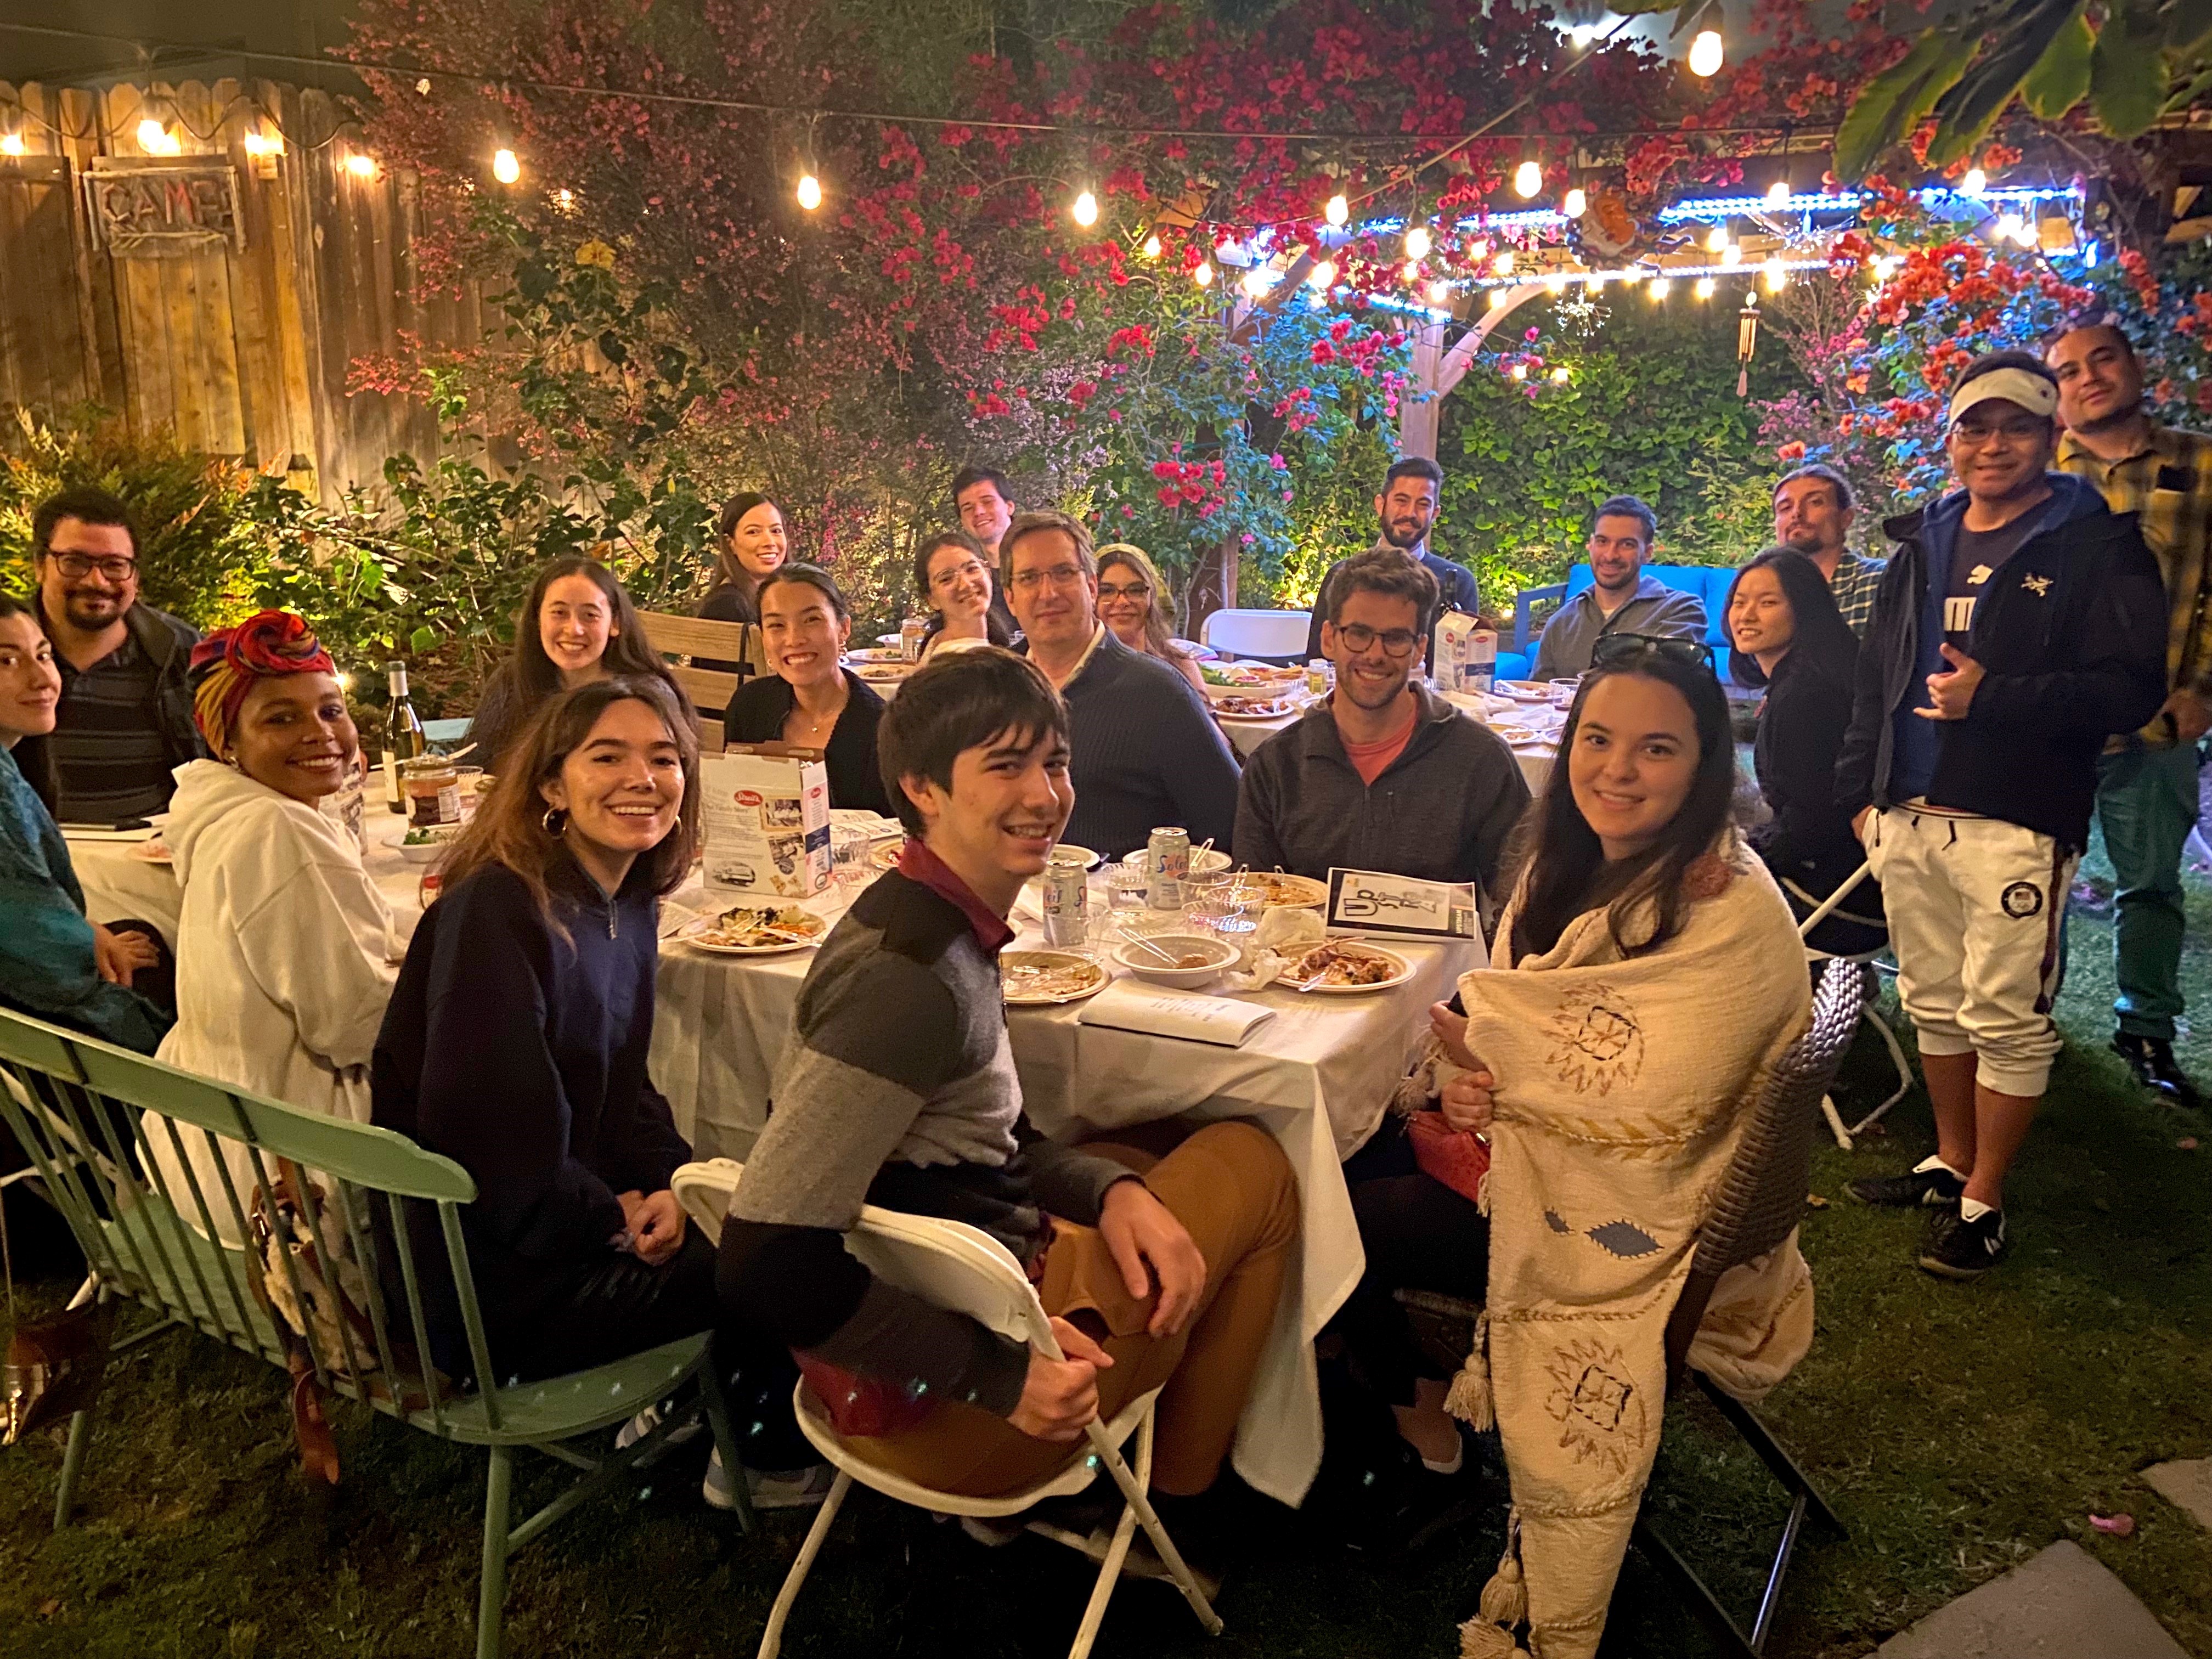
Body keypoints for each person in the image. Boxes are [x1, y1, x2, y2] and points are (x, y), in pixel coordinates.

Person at [714, 648, 1299, 1513]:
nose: (1045, 795)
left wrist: (1112, 1192)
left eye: (1054, 763)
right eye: (1005, 766)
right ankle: (1176, 1510)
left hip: (953, 1330)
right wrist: (999, 1378)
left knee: (1149, 1151)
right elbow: (762, 1261)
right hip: (961, 1412)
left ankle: (1162, 1455)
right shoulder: (908, 981)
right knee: (1261, 1164)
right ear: (921, 788)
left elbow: (986, 1142)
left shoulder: (923, 918)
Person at [374, 676, 822, 1509]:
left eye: (664, 758)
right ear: (552, 783)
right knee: (778, 1255)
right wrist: (616, 1222)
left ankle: (702, 1414)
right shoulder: (496, 911)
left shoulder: (626, 901)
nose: (641, 779)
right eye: (606, 756)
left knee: (747, 1215)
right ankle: (757, 1456)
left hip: (560, 1225)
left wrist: (674, 1185)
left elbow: (623, 1085)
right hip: (495, 1283)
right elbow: (491, 1136)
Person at [1837, 351, 2167, 1280]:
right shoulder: (1921, 539)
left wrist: (1997, 697)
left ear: (2050, 436)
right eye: (1974, 428)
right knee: (1929, 998)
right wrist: (1862, 793)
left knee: (2003, 1014)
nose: (1993, 444)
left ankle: (1985, 1200)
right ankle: (1949, 1159)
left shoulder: (2095, 542)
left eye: (2015, 426)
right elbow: (1880, 673)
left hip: (2015, 816)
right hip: (1907, 808)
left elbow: (2130, 687)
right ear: (1949, 442)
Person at [144, 611, 404, 1243]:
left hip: (200, 1144)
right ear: (225, 742)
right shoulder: (279, 831)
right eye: (280, 718)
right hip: (291, 1171)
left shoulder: (222, 815)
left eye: (330, 711)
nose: (320, 734)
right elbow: (354, 1024)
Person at [2048, 317, 2212, 1108]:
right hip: (2055, 726)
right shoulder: (2039, 473)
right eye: (2069, 371)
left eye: (2101, 360)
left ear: (2134, 367)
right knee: (2033, 880)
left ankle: (2146, 1029)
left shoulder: (2200, 461)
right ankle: (2029, 1018)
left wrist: (2202, 688)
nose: (2088, 378)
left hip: (2159, 719)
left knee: (2150, 886)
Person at [1235, 548, 1528, 899]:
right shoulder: (1276, 766)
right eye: (1358, 634)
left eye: (1395, 638)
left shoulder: (1480, 761)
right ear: (1328, 639)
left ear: (1421, 648)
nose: (1375, 654)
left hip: (1442, 952)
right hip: (1299, 951)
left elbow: (1521, 903)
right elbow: (1253, 904)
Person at [1001, 511, 1240, 859]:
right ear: (1009, 598)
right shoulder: (996, 690)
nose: (1048, 592)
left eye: (1064, 573)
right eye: (1029, 578)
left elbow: (1231, 828)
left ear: (1092, 586)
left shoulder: (1159, 693)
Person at [0, 594, 170, 1052]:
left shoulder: (12, 766)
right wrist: (82, 946)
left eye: (42, 655)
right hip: (36, 1043)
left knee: (141, 933)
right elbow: (27, 934)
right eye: (7, 661)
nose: (41, 678)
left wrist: (85, 931)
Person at [1725, 549, 1887, 956]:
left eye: (1768, 603)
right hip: (1862, 883)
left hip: (1836, 904)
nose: (1746, 615)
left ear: (1804, 609)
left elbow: (1811, 826)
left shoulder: (1806, 696)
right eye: (1739, 602)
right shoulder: (1811, 675)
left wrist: (1735, 856)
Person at [23, 487, 200, 823]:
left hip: (153, 858)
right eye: (74, 562)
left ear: (135, 575)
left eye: (114, 565)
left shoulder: (183, 652)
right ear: (39, 566)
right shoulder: (8, 653)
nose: (97, 581)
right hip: (27, 865)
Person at [467, 556, 690, 771]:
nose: (574, 629)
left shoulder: (645, 697)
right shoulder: (511, 681)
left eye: (590, 615)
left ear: (615, 623)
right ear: (537, 619)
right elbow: (474, 769)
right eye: (559, 613)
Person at [722, 564, 894, 816]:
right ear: (763, 637)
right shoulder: (749, 707)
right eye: (777, 625)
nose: (794, 639)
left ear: (844, 628)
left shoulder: (882, 727)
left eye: (811, 620)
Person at [1301, 457, 1483, 670]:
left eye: (1423, 504)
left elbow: (1469, 675)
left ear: (1435, 514)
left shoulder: (1457, 582)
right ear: (1381, 505)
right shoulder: (1342, 576)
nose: (1410, 514)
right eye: (1401, 501)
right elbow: (1316, 665)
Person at [1529, 495, 1707, 682]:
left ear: (1647, 553)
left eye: (1627, 545)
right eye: (1602, 541)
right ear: (1591, 544)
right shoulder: (1561, 622)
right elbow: (1540, 698)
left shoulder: (1681, 610)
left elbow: (1670, 690)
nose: (1610, 555)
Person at [1773, 464, 1887, 638]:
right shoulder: (1767, 593)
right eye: (1785, 508)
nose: (1797, 513)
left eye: (1815, 502)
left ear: (1846, 518)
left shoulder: (1883, 580)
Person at [1095, 543, 1207, 696]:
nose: (1122, 602)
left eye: (1136, 590)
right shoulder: (1075, 672)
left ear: (1152, 597)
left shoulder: (1181, 667)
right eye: (1107, 591)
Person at [915, 529, 1015, 659]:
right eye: (947, 579)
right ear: (932, 600)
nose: (966, 584)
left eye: (972, 569)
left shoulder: (940, 638)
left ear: (988, 573)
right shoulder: (963, 661)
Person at [950, 465, 1024, 641]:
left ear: (1010, 507)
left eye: (987, 501)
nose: (978, 512)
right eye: (968, 508)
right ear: (962, 521)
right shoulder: (971, 579)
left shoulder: (1038, 565)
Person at [697, 492, 790, 629]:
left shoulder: (791, 596)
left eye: (776, 531)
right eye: (753, 532)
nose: (769, 542)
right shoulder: (725, 606)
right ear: (731, 543)